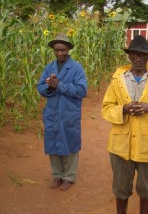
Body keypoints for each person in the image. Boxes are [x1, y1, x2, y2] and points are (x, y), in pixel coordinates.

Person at [102, 35, 148, 214]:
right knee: (121, 187)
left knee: (146, 188)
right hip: (120, 145)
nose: (138, 58)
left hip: (147, 145)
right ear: (129, 56)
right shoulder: (117, 80)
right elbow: (107, 107)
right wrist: (123, 109)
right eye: (134, 54)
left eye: (142, 55)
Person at [37, 33, 87, 191]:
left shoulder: (76, 68)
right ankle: (57, 174)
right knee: (53, 142)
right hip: (52, 112)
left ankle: (69, 176)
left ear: (68, 50)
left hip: (69, 113)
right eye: (57, 50)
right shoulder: (49, 68)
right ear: (53, 50)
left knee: (70, 143)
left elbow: (82, 90)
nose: (60, 53)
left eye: (63, 50)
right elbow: (40, 87)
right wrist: (49, 87)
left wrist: (60, 85)